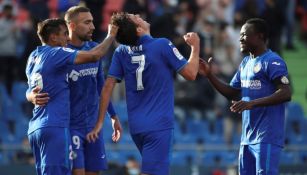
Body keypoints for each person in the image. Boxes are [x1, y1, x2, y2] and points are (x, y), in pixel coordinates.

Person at [87, 13, 200, 175]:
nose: (139, 15)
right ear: (139, 29)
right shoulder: (162, 45)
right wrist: (195, 47)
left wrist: (101, 121)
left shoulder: (121, 52)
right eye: (136, 18)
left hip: (137, 126)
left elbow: (106, 88)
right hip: (159, 124)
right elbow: (191, 74)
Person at [198, 18, 292, 175]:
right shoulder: (245, 63)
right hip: (247, 138)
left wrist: (252, 103)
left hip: (267, 136)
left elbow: (286, 93)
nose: (240, 38)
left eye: (244, 35)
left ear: (260, 36)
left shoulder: (272, 61)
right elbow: (232, 92)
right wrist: (210, 75)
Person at [25, 18, 118, 175]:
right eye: (64, 34)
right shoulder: (57, 52)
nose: (67, 38)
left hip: (36, 127)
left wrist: (30, 96)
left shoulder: (34, 56)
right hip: (54, 124)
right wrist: (110, 35)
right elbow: (95, 55)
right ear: (53, 37)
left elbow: (30, 89)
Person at [64, 6, 122, 175]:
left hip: (92, 126)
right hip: (70, 125)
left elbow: (100, 86)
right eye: (87, 22)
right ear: (72, 26)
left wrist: (113, 116)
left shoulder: (95, 46)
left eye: (92, 22)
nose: (93, 27)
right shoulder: (61, 52)